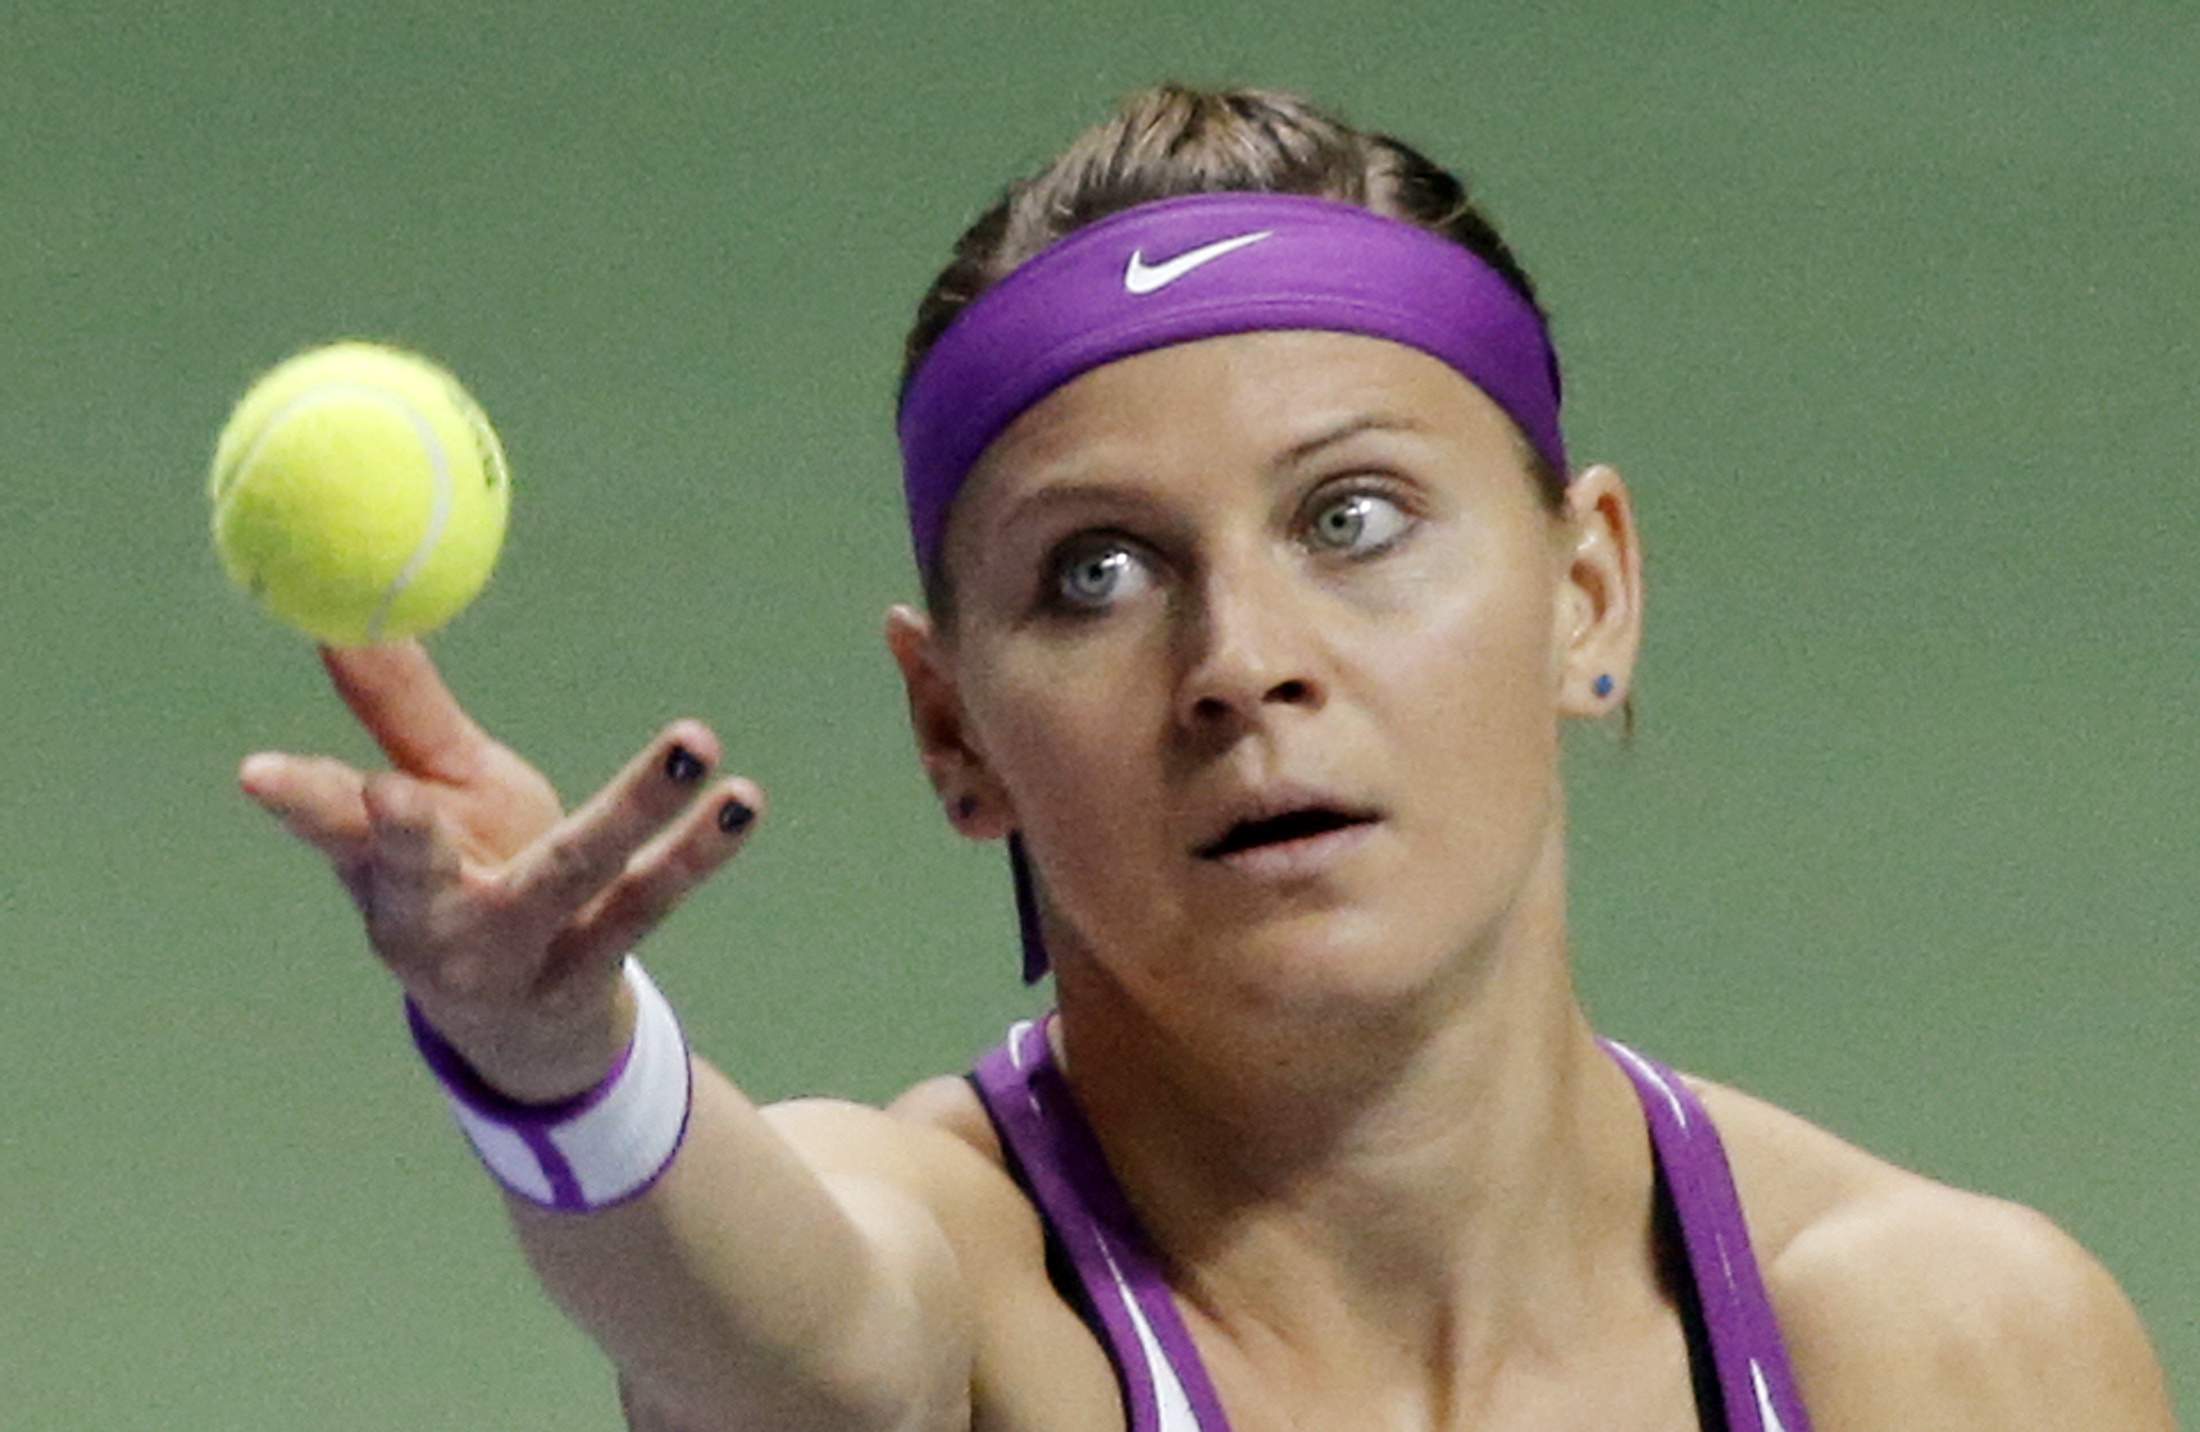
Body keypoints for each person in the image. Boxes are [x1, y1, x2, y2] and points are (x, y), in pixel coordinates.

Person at [238, 86, 2176, 1431]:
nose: (1238, 662)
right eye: (1094, 573)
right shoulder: (972, 1301)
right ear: (950, 726)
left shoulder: (1950, 1348)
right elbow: (792, 1327)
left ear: (1586, 588)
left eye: (1350, 520)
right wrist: (553, 1061)